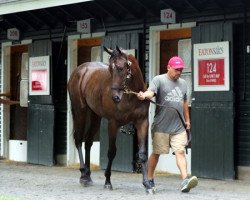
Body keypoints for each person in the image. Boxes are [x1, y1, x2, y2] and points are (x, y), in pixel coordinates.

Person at [137, 56, 198, 193]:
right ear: (168, 67)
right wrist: (144, 95)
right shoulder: (159, 80)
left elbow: (184, 103)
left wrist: (187, 121)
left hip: (178, 126)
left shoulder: (183, 83)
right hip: (161, 126)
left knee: (180, 152)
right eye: (177, 70)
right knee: (157, 153)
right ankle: (150, 178)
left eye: (181, 70)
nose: (179, 72)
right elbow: (151, 92)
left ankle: (185, 180)